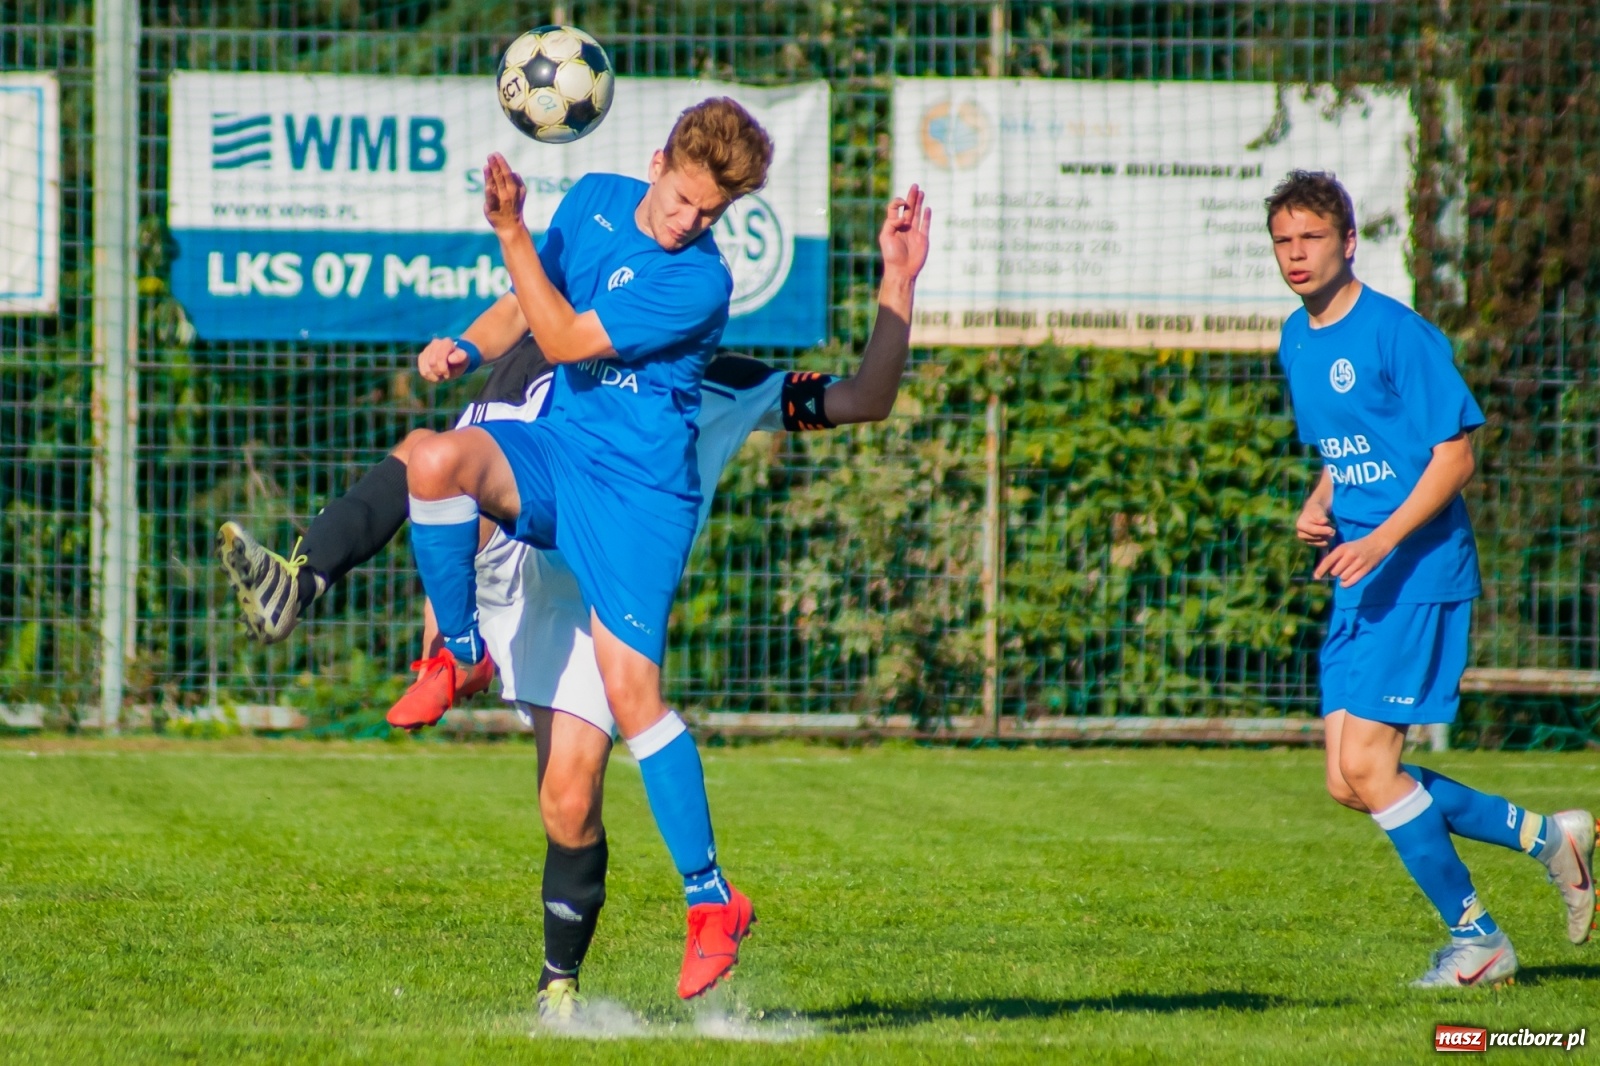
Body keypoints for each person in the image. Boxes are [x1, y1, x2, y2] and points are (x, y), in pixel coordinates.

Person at [219, 184, 930, 1022]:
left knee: (568, 800)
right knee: (427, 454)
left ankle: (560, 984)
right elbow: (508, 335)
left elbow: (861, 398)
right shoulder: (548, 332)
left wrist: (898, 283)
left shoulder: (706, 372)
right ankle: (334, 593)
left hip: (602, 581)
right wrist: (460, 344)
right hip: (519, 538)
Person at [409, 95, 776, 1002]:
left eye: (712, 214)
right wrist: (465, 343)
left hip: (638, 499)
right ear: (658, 163)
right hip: (562, 451)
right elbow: (528, 312)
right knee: (432, 460)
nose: (690, 222)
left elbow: (568, 337)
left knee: (634, 697)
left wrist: (509, 230)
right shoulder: (596, 202)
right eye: (684, 199)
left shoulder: (700, 281)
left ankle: (711, 900)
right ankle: (460, 653)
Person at [1269, 169, 1595, 989]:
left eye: (1311, 238)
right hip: (1363, 574)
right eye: (1282, 241)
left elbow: (1455, 458)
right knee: (1350, 781)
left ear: (1348, 242)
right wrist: (1321, 502)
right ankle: (1549, 838)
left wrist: (1377, 540)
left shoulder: (1397, 334)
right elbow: (1346, 451)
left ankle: (1479, 940)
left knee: (1375, 770)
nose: (1295, 254)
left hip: (1417, 571)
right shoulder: (1297, 337)